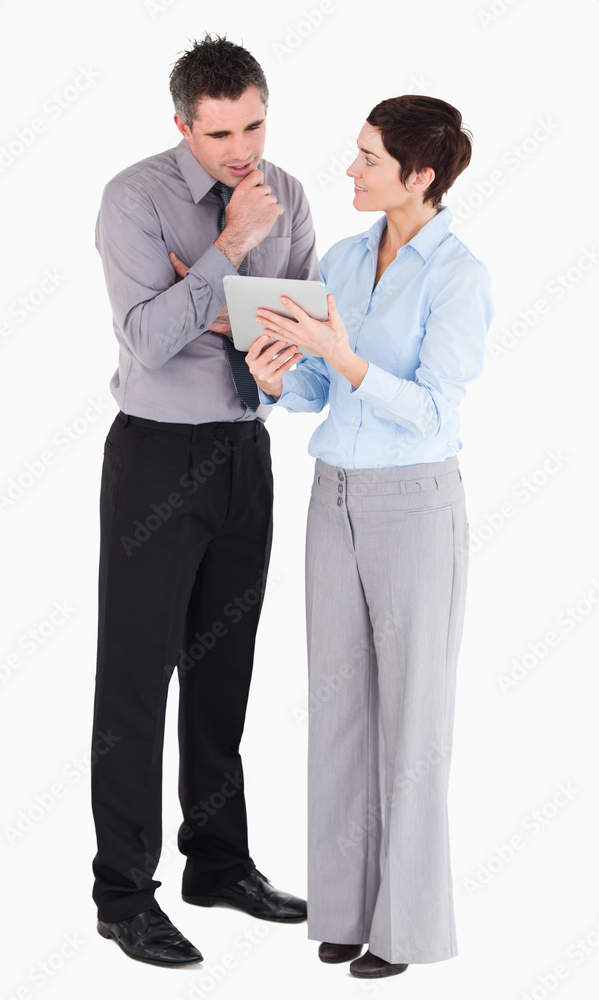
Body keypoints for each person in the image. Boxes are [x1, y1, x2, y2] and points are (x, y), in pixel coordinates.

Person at [247, 95, 494, 979]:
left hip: (414, 505)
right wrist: (279, 373)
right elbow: (321, 392)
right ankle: (347, 911)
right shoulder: (343, 259)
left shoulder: (458, 275)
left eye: (367, 159)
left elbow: (432, 409)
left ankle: (408, 928)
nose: (349, 170)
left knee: (413, 720)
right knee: (338, 710)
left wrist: (347, 359)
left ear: (418, 176)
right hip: (332, 498)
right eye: (354, 155)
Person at [90, 34, 316, 968]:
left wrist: (207, 294)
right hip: (154, 460)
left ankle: (217, 863)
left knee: (224, 671)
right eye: (219, 131)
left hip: (243, 453)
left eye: (254, 124)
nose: (241, 150)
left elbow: (301, 318)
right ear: (182, 123)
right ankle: (122, 894)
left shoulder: (289, 192)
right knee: (138, 680)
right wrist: (229, 253)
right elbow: (146, 340)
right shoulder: (135, 199)